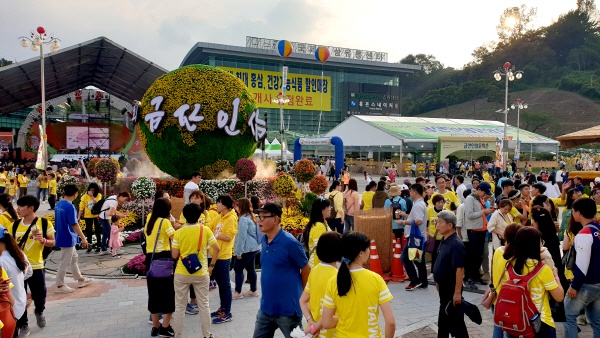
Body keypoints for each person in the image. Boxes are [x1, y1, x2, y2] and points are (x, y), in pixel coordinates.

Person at [321, 231, 396, 337]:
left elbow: (326, 323)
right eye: (368, 248)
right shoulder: (376, 279)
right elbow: (391, 322)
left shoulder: (333, 281)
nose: (369, 251)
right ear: (361, 253)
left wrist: (343, 318)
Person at [252, 203, 310, 338]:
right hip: (266, 309)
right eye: (258, 216)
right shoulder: (265, 240)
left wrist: (302, 296)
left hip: (288, 311)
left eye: (263, 217)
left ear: (276, 219)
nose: (259, 220)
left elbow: (306, 268)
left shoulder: (290, 242)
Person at [171, 203, 219, 338]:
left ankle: (178, 335)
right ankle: (207, 334)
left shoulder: (178, 232)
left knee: (180, 306)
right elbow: (217, 249)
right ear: (200, 216)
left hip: (181, 272)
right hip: (201, 272)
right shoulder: (205, 230)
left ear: (184, 216)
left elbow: (174, 255)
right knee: (204, 304)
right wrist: (212, 266)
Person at [10, 195, 55, 337]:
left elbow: (53, 242)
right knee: (19, 297)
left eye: (21, 206)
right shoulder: (15, 225)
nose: (18, 209)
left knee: (39, 294)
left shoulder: (43, 223)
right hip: (18, 268)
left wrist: (43, 240)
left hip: (36, 266)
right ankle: (23, 324)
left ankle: (39, 311)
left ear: (31, 208)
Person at [509, 227, 564, 337]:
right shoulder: (543, 269)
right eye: (540, 242)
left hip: (518, 320)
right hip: (541, 322)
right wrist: (556, 276)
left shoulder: (510, 265)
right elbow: (559, 296)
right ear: (534, 245)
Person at [564, 197, 600, 337]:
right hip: (598, 282)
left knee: (570, 317)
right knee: (596, 322)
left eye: (573, 211)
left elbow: (582, 265)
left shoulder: (583, 234)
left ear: (578, 212)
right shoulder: (597, 230)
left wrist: (574, 286)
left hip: (586, 284)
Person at [299, 232, 341, 337]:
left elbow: (303, 300)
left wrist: (311, 322)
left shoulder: (315, 270)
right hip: (332, 332)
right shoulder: (338, 276)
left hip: (314, 333)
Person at [433, 211, 468, 338]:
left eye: (440, 222)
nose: (437, 225)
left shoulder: (456, 244)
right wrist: (437, 281)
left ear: (450, 225)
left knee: (454, 322)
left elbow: (459, 269)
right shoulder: (444, 240)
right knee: (446, 321)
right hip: (443, 288)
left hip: (451, 289)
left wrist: (457, 292)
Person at [54, 184, 93, 294]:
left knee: (73, 258)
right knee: (65, 261)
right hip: (67, 237)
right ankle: (60, 285)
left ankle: (80, 279)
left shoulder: (59, 204)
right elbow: (74, 224)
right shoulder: (70, 206)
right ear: (75, 194)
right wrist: (83, 238)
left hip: (61, 235)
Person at [145, 197, 176, 337]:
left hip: (150, 259)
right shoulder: (165, 222)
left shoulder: (150, 220)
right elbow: (174, 240)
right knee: (168, 294)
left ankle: (155, 326)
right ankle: (165, 327)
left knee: (153, 293)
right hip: (163, 260)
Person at [210, 195, 238, 324]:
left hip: (224, 256)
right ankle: (222, 308)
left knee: (225, 285)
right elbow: (210, 226)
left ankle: (227, 312)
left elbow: (228, 237)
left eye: (219, 203)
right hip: (216, 254)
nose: (217, 205)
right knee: (221, 284)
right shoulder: (219, 216)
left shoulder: (231, 218)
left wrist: (215, 235)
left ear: (225, 205)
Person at [462, 182, 495, 290]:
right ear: (479, 189)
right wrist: (483, 211)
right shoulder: (470, 199)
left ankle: (476, 276)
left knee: (479, 256)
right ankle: (469, 279)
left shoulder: (479, 198)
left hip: (481, 230)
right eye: (485, 192)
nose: (485, 195)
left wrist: (487, 211)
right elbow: (469, 215)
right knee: (473, 256)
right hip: (474, 231)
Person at [0, 227, 30, 338]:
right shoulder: (20, 254)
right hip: (18, 304)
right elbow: (28, 274)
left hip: (6, 310)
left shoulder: (1, 262)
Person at [398, 184, 429, 290]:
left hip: (415, 237)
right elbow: (415, 217)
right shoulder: (419, 204)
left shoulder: (418, 205)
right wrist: (405, 215)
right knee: (418, 260)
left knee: (405, 258)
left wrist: (403, 222)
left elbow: (418, 220)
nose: (410, 193)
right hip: (418, 237)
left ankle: (414, 280)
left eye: (410, 191)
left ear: (415, 192)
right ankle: (423, 282)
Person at [232, 198, 261, 299]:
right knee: (251, 269)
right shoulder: (250, 217)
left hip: (246, 249)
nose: (235, 208)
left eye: (237, 206)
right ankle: (253, 290)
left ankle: (238, 292)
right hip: (254, 247)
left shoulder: (243, 219)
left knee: (238, 269)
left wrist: (238, 252)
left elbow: (241, 237)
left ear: (242, 207)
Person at [303, 198, 332, 268]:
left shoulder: (323, 222)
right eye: (328, 207)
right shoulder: (319, 226)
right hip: (317, 265)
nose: (330, 209)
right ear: (322, 210)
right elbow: (321, 248)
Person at [78, 183, 102, 254]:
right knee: (89, 231)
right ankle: (89, 246)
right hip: (88, 216)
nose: (92, 192)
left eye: (93, 190)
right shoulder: (84, 197)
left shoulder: (98, 195)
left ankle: (98, 246)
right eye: (91, 190)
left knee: (97, 231)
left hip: (96, 215)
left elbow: (97, 204)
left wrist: (92, 196)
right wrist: (78, 217)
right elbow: (81, 208)